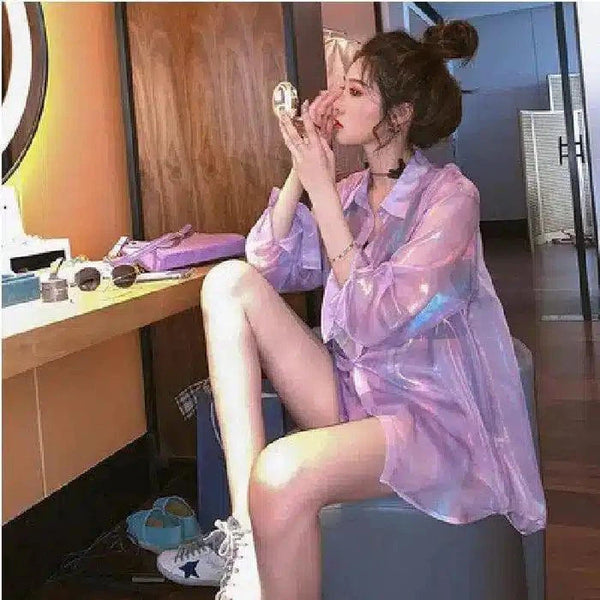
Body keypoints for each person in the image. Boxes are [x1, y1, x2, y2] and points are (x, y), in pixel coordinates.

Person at [163, 20, 546, 600]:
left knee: (281, 472)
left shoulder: (450, 198)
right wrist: (302, 172)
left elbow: (376, 317)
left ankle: (259, 537)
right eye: (341, 86)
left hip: (428, 420)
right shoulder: (347, 193)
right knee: (228, 282)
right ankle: (244, 537)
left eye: (356, 90)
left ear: (399, 116)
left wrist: (321, 189)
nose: (335, 100)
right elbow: (266, 260)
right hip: (353, 393)